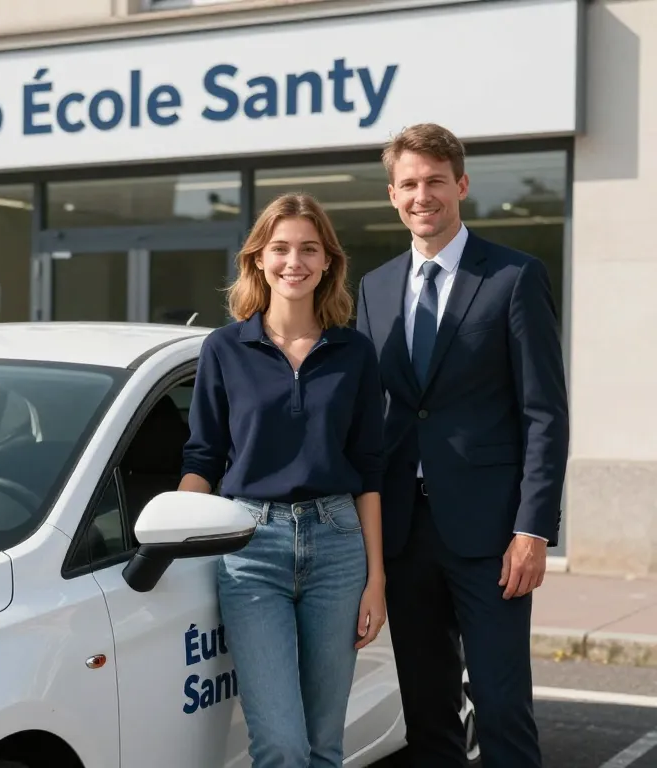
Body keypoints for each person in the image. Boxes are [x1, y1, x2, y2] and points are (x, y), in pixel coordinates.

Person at [354, 123, 569, 767]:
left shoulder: (513, 277)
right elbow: (374, 415)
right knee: (427, 709)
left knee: (502, 708)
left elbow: (545, 414)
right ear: (393, 195)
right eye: (410, 184)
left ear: (462, 186)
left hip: (493, 537)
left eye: (436, 182)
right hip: (404, 532)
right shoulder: (376, 287)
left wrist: (533, 528)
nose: (424, 195)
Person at [178, 193, 387, 768]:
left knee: (324, 745)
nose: (294, 261)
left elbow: (371, 471)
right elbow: (204, 456)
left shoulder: (355, 354)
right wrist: (169, 528)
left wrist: (376, 579)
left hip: (339, 546)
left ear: (327, 263)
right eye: (281, 248)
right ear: (258, 259)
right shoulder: (223, 349)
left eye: (308, 249)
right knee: (281, 745)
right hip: (250, 549)